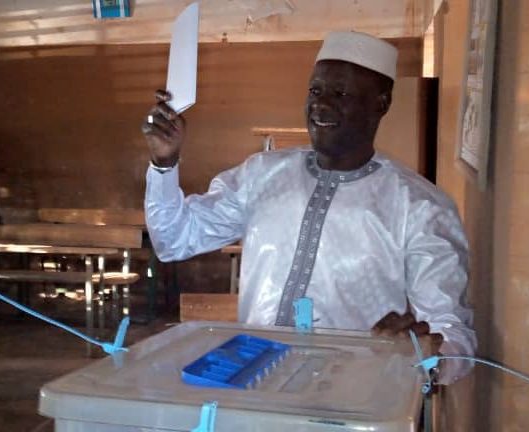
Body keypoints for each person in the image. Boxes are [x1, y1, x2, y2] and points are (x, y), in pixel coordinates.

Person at [143, 31, 476, 384]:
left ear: (380, 104)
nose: (321, 104)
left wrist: (426, 356)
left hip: (352, 397)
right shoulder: (261, 175)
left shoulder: (420, 206)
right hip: (255, 387)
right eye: (315, 91)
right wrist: (164, 163)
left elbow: (453, 336)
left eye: (341, 94)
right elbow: (174, 239)